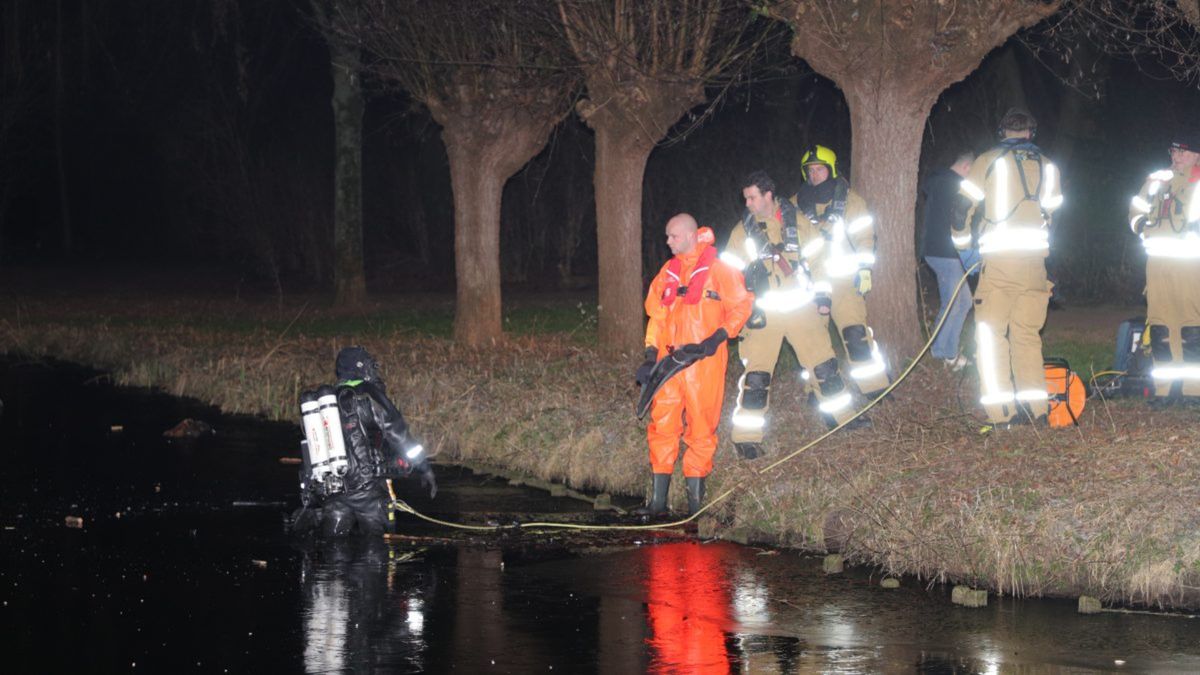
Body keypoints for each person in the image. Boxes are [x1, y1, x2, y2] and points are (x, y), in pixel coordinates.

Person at [721, 170, 858, 461]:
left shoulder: (798, 222)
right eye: (745, 198)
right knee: (756, 378)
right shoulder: (741, 233)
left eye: (752, 197)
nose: (747, 203)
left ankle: (843, 416)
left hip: (802, 311)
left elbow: (820, 261)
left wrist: (823, 296)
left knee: (824, 366)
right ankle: (746, 437)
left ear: (769, 195)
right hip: (763, 318)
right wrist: (739, 309)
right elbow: (727, 276)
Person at [953, 108, 1063, 430]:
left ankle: (1001, 414)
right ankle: (1037, 410)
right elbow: (1054, 216)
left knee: (990, 338)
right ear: (1031, 133)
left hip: (999, 265)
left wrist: (964, 251)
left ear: (1003, 132)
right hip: (1035, 266)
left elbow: (961, 210)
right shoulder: (1050, 166)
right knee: (1027, 337)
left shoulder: (987, 161)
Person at [636, 214, 752, 516]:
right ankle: (658, 504)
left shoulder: (720, 270)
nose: (668, 242)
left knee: (701, 429)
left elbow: (742, 305)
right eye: (667, 236)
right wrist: (651, 356)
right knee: (663, 426)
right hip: (668, 363)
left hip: (704, 363)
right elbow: (657, 317)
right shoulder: (667, 272)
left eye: (672, 236)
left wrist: (718, 337)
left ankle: (695, 507)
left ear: (689, 235)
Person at [291, 346, 437, 537]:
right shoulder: (368, 393)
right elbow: (397, 433)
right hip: (368, 488)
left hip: (333, 490)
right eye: (370, 365)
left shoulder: (326, 402)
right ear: (360, 368)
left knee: (335, 555)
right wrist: (423, 467)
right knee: (377, 552)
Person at [792, 145, 890, 399]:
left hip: (845, 283)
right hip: (811, 288)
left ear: (831, 170)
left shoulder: (850, 201)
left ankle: (875, 387)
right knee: (814, 342)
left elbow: (865, 237)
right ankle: (816, 389)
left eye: (819, 169)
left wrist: (865, 269)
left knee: (856, 335)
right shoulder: (793, 206)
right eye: (810, 170)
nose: (814, 175)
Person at [1128, 132, 1200, 405]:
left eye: (1183, 151)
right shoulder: (1156, 179)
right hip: (1157, 265)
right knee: (1160, 327)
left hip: (1191, 266)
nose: (1176, 157)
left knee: (1191, 327)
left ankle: (1193, 391)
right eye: (1173, 151)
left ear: (1196, 154)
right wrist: (1141, 227)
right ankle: (1164, 389)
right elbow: (1135, 208)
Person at [920, 151, 976, 369]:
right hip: (944, 252)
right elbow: (960, 220)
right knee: (954, 303)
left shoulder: (940, 180)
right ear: (967, 168)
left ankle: (945, 350)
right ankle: (944, 353)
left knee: (963, 302)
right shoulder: (955, 185)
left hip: (940, 251)